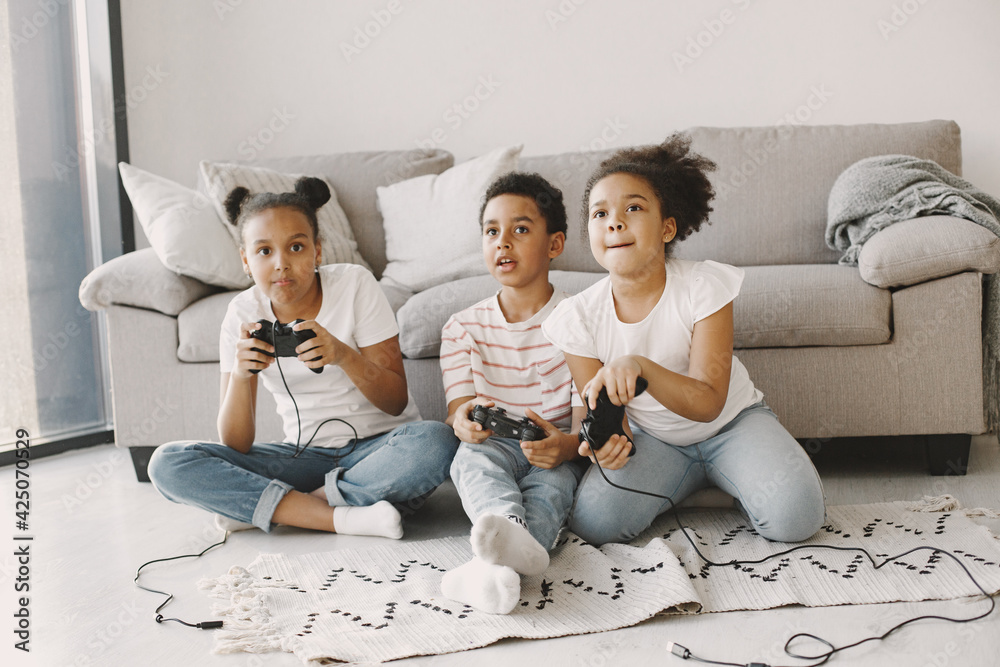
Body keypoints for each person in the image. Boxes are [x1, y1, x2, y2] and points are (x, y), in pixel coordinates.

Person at [542, 134, 825, 546]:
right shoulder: (576, 317)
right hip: (655, 441)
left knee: (796, 519)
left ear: (667, 227)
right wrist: (610, 446)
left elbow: (708, 402)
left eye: (633, 208)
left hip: (732, 425)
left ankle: (728, 475)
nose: (615, 221)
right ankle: (697, 484)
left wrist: (639, 366)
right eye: (599, 213)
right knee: (594, 525)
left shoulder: (703, 286)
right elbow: (609, 419)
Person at [147, 177, 457, 538]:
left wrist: (342, 354)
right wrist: (242, 376)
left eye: (296, 247)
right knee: (169, 462)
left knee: (437, 441)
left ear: (317, 251)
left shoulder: (354, 284)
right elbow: (236, 443)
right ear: (246, 261)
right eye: (264, 251)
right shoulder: (241, 312)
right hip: (303, 456)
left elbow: (395, 401)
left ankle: (282, 509)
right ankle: (342, 515)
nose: (281, 264)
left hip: (380, 452)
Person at [438, 172, 586, 614]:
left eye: (520, 229)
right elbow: (457, 411)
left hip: (552, 448)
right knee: (471, 461)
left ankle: (495, 569)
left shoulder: (578, 320)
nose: (503, 242)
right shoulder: (463, 327)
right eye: (491, 231)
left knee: (554, 489)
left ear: (555, 244)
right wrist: (464, 421)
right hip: (494, 445)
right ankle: (508, 538)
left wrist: (566, 448)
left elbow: (584, 429)